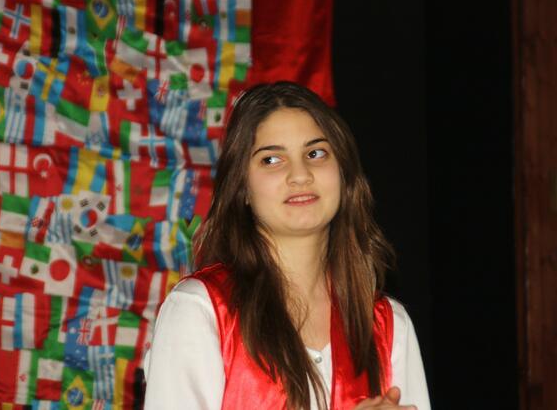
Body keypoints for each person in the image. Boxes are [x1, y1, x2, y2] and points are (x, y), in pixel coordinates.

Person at [143, 81, 430, 410]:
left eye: (315, 153)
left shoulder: (389, 324)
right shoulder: (200, 310)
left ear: (344, 172)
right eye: (271, 160)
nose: (300, 175)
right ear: (242, 188)